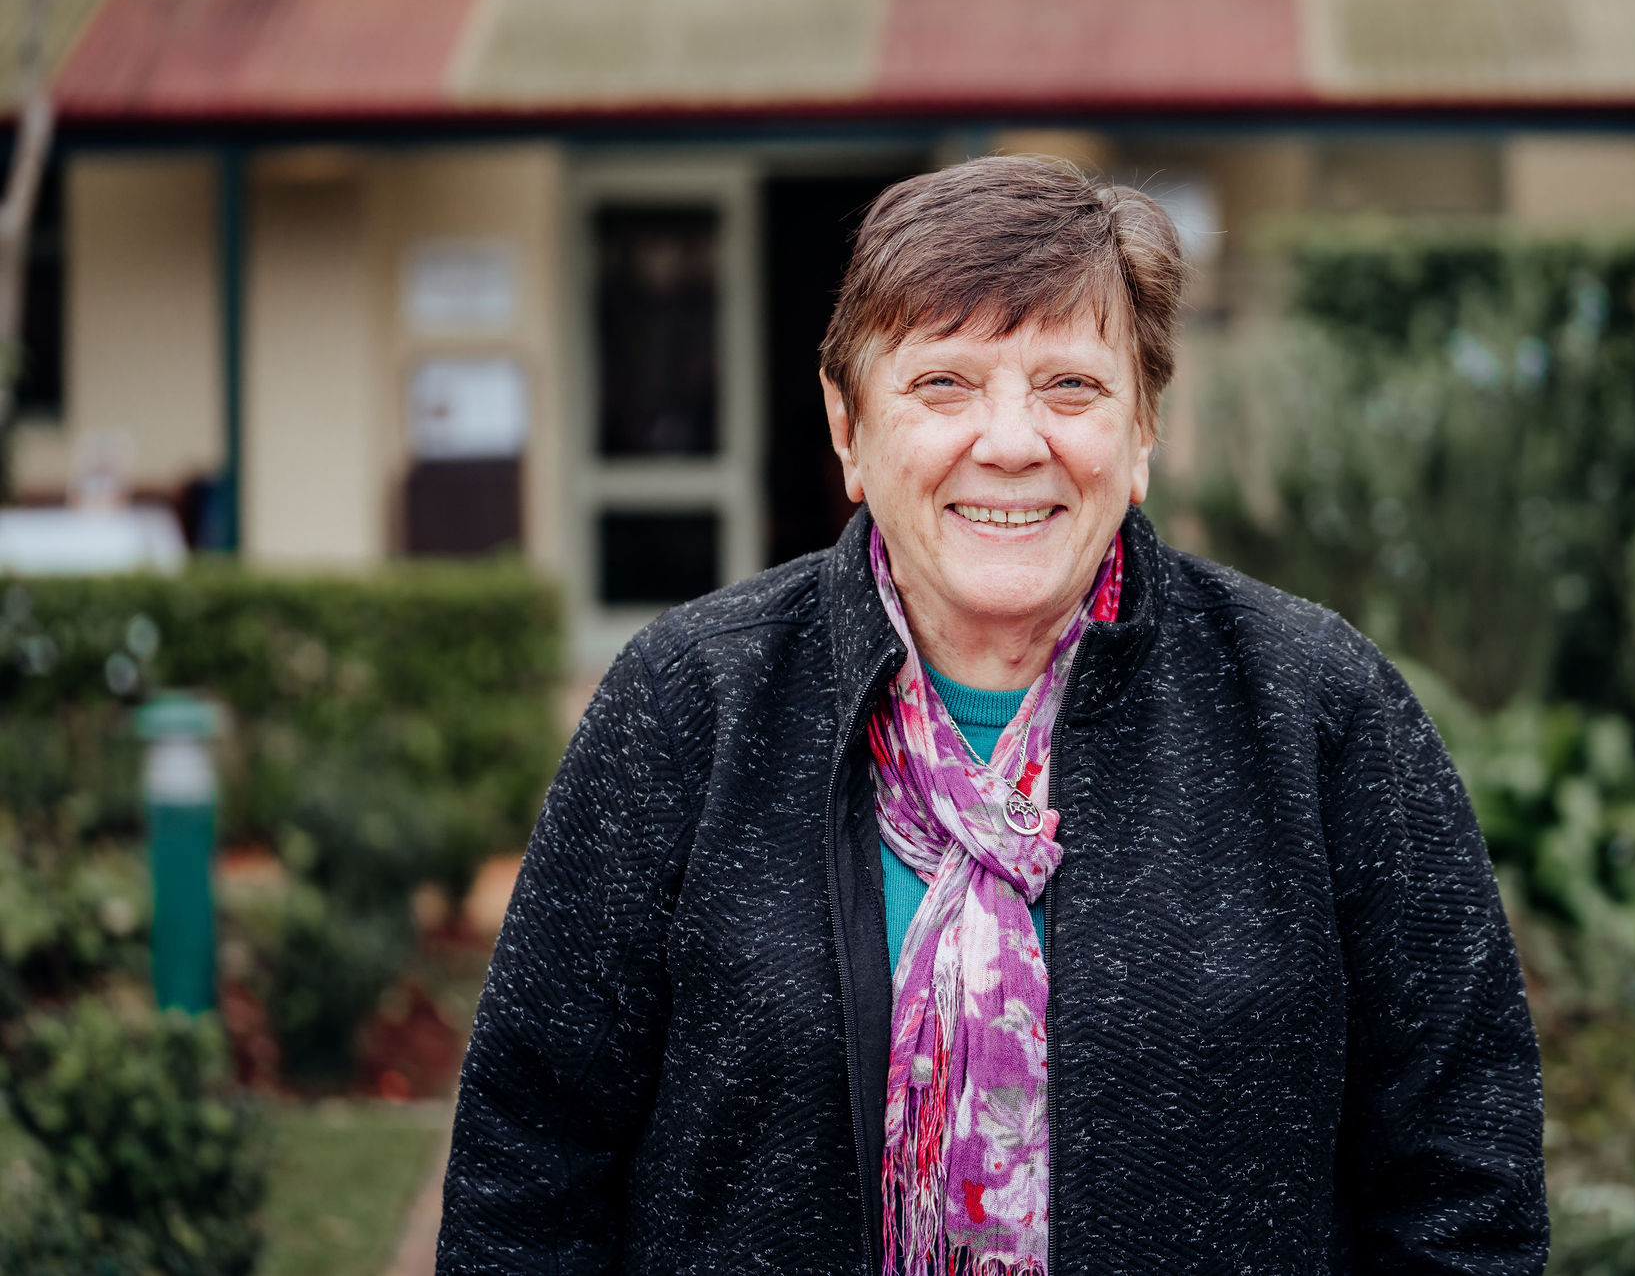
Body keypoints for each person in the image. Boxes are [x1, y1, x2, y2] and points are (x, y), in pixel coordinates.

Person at [437, 156, 1546, 1275]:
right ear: (847, 427)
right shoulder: (687, 705)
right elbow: (527, 1174)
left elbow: (1462, 1183)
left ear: (1144, 426)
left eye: (1070, 386)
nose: (1011, 441)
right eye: (943, 385)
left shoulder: (1317, 714)